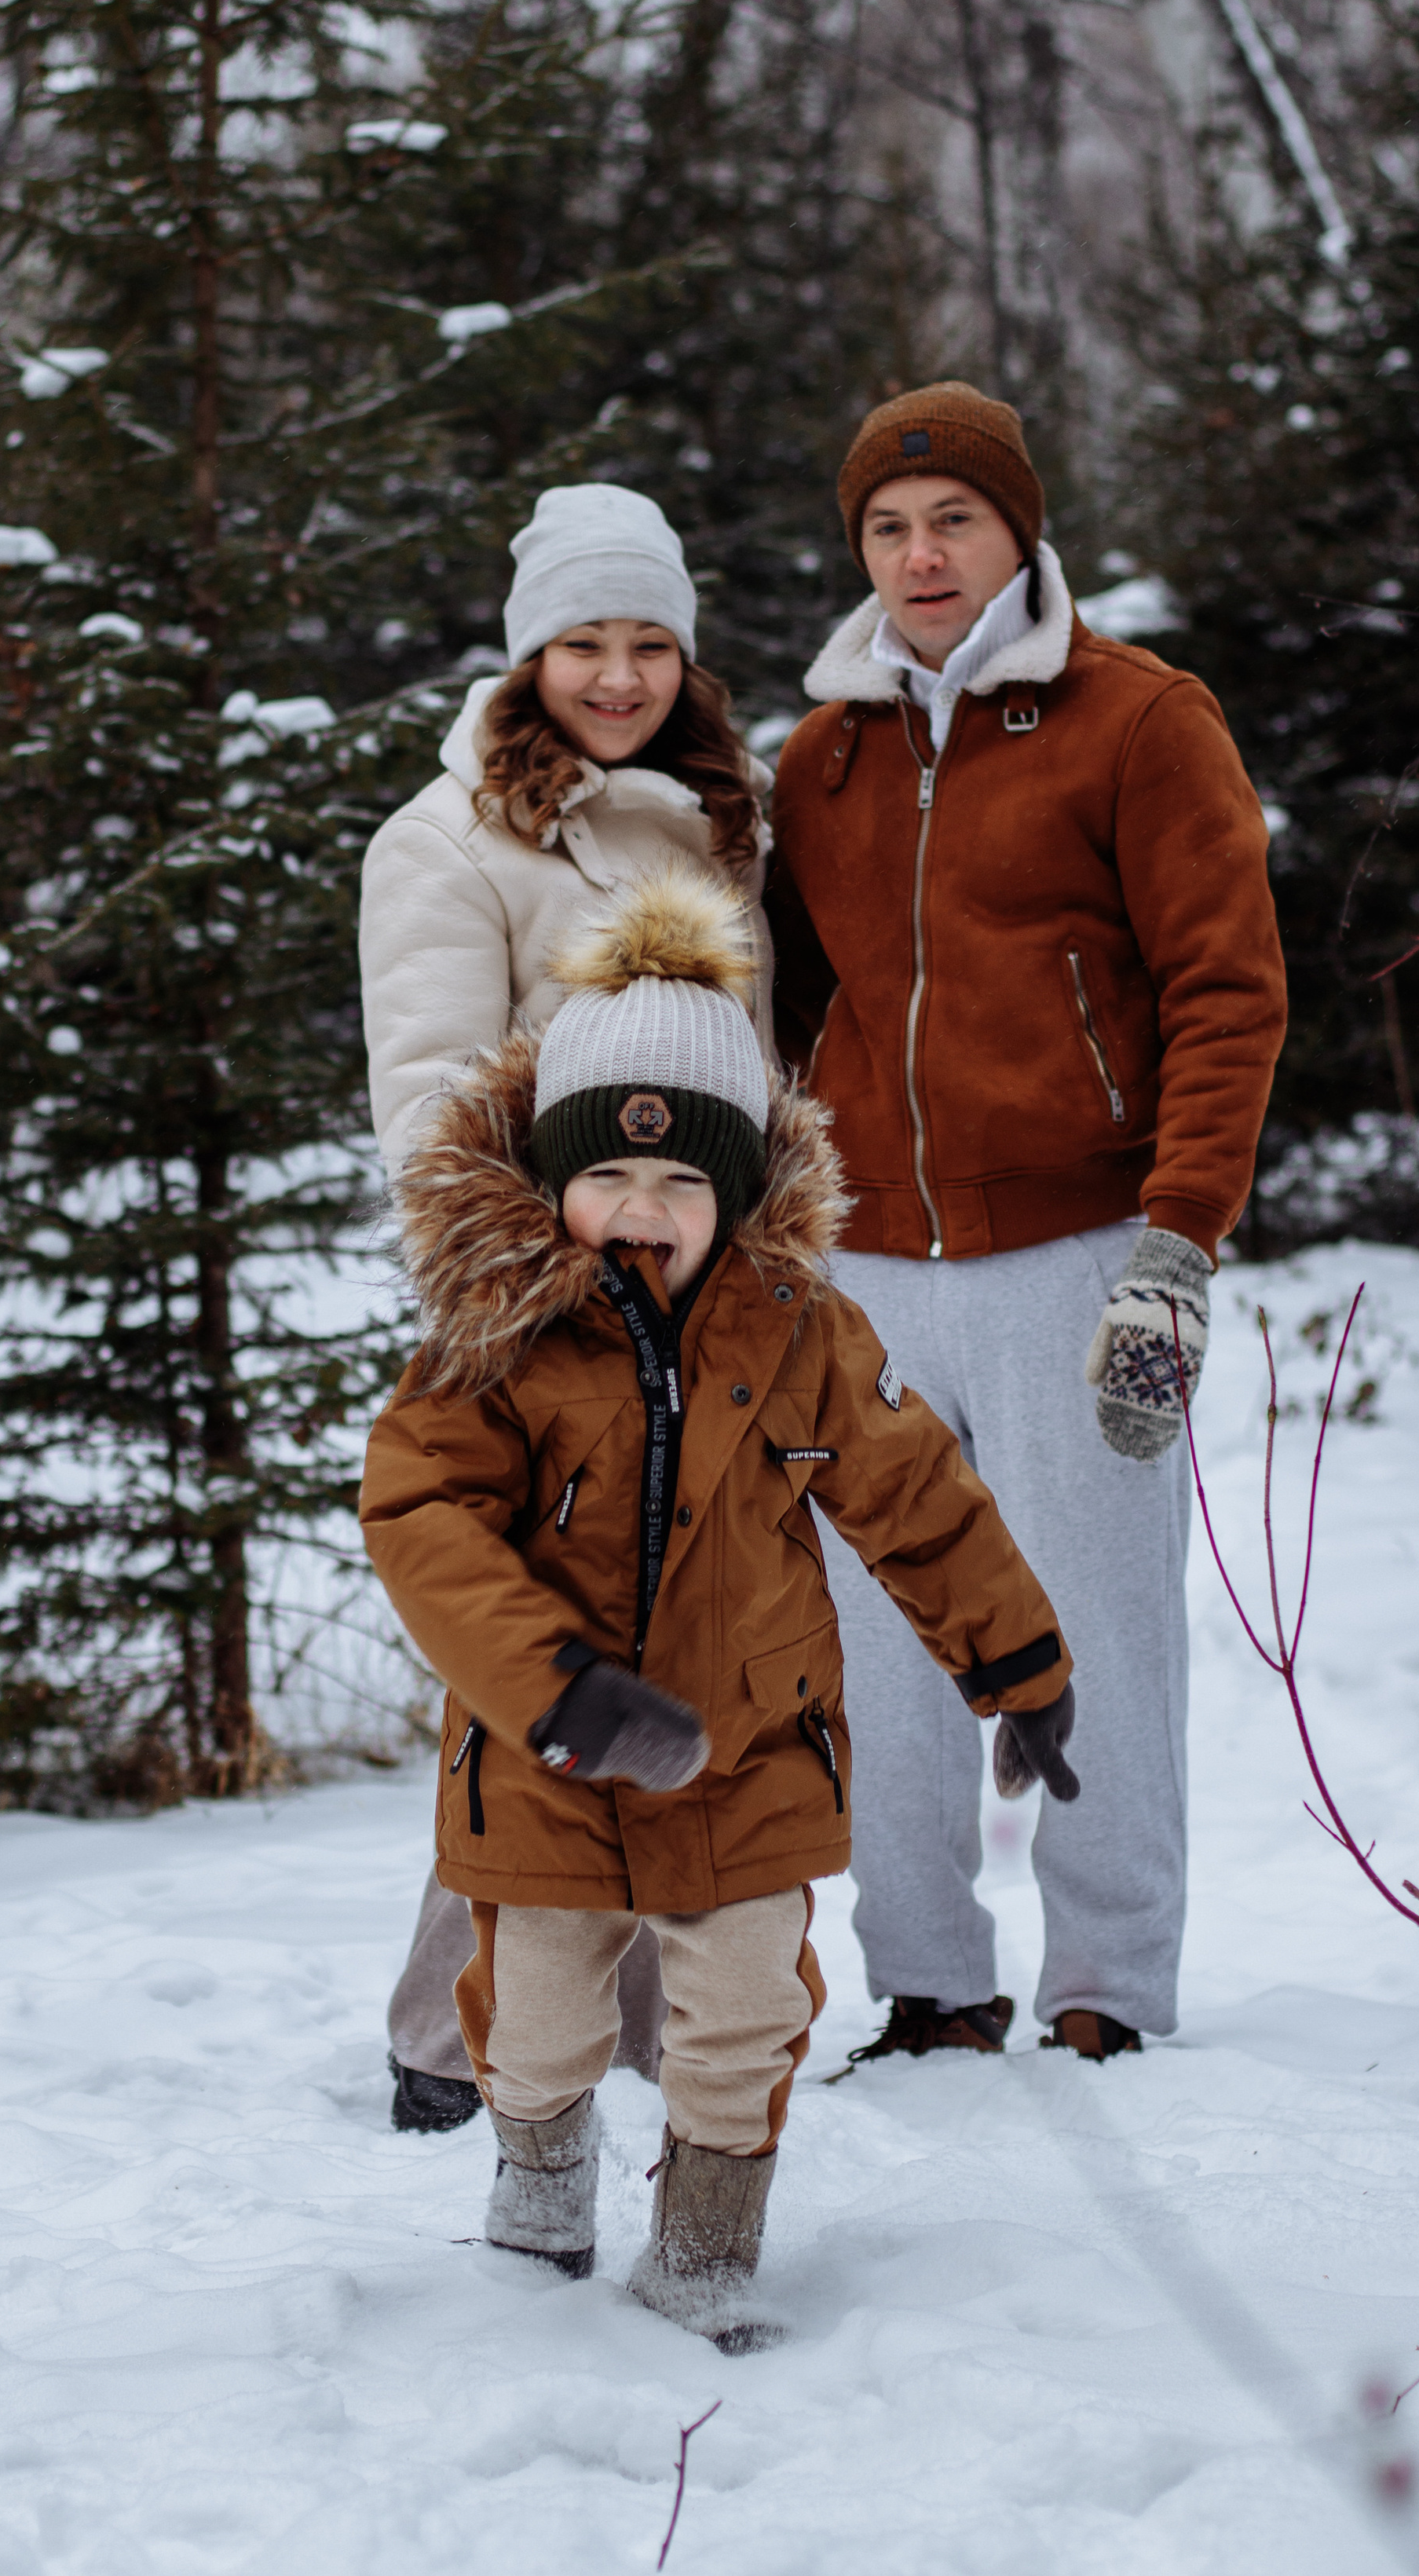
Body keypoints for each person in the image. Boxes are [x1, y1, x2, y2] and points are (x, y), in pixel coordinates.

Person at [359, 870, 1077, 2348]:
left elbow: (915, 1493)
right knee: (539, 2026)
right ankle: (541, 2189)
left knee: (747, 2015)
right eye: (612, 1175)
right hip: (551, 1759)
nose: (646, 1210)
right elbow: (422, 1520)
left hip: (746, 1749)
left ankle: (703, 2256)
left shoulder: (801, 1328)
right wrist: (552, 1683)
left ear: (739, 1191)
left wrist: (1016, 1658)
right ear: (552, 1176)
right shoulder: (494, 1340)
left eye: (685, 1180)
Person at [766, 380, 1286, 2062]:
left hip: (1076, 1259)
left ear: (1017, 530)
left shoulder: (1138, 719)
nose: (921, 557)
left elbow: (1225, 992)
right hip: (866, 1271)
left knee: (1096, 1627)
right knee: (881, 1636)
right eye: (888, 528)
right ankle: (926, 1982)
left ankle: (1106, 1988)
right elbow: (782, 1012)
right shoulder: (819, 757)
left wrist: (1175, 1244)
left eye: (954, 522)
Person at [359, 482, 774, 2131]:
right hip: (544, 1318)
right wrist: (549, 1299)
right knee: (538, 1667)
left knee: (691, 1662)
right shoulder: (450, 842)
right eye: (584, 642)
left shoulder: (721, 817)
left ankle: (651, 2027)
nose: (618, 675)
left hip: (716, 1307)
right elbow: (431, 1115)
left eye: (649, 642)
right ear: (529, 654)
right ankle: (447, 2039)